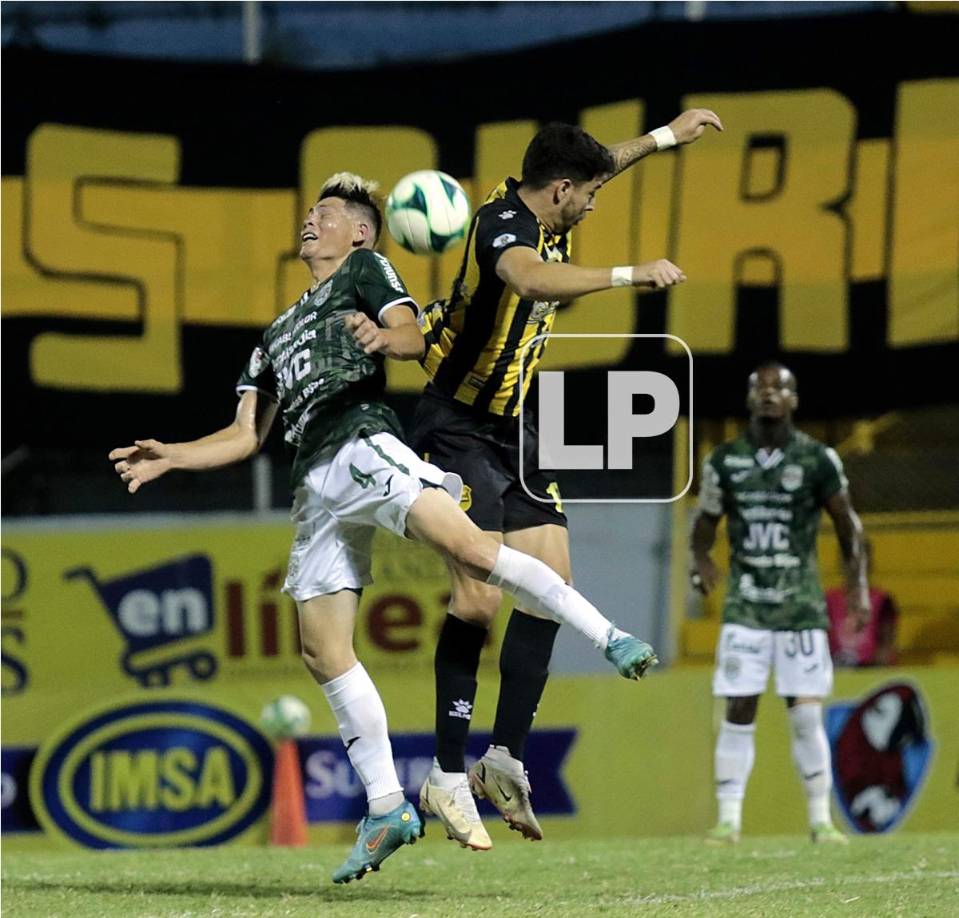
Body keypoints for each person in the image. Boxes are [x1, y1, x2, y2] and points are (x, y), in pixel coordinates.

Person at [108, 172, 656, 880]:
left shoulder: (365, 270)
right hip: (314, 484)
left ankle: (606, 636)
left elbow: (406, 330)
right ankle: (388, 806)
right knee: (320, 648)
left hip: (362, 444)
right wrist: (172, 456)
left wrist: (381, 334)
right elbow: (245, 435)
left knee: (469, 550)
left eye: (327, 214)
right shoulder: (273, 334)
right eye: (309, 212)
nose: (311, 221)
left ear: (361, 231)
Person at [411, 110, 723, 848]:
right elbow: (528, 277)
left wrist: (670, 135)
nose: (594, 203)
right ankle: (446, 773)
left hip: (510, 427)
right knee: (479, 597)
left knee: (551, 585)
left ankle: (504, 757)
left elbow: (607, 160)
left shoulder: (553, 195)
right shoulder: (499, 229)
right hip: (453, 425)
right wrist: (627, 273)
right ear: (557, 190)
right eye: (586, 195)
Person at [689, 361, 870, 845]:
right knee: (739, 707)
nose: (770, 394)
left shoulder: (817, 459)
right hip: (746, 606)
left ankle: (820, 819)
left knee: (807, 713)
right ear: (749, 399)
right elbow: (704, 523)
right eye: (761, 388)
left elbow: (849, 526)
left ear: (794, 400)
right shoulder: (725, 461)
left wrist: (858, 588)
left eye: (780, 388)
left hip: (800, 607)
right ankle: (729, 820)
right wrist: (700, 559)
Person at [826, 540, 898, 667]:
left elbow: (886, 647)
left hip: (871, 672)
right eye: (848, 560)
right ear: (840, 562)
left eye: (860, 561)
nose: (854, 566)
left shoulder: (883, 601)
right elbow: (822, 643)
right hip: (835, 671)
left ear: (869, 563)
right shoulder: (828, 600)